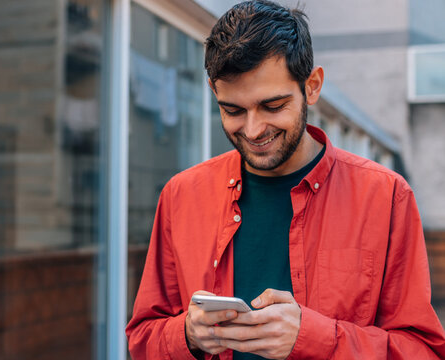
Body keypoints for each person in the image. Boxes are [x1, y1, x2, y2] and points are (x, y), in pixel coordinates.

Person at [125, 1, 445, 359]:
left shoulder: (386, 196)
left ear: (312, 86)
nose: (253, 129)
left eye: (273, 106)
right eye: (233, 110)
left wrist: (314, 337)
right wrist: (188, 334)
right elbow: (142, 338)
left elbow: (423, 350)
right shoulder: (181, 196)